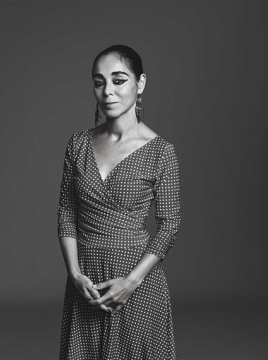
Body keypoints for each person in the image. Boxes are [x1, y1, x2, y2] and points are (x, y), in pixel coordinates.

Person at [57, 44, 181, 360]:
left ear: (139, 84)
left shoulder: (161, 152)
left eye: (119, 80)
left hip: (136, 283)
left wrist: (131, 282)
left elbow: (170, 224)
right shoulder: (78, 144)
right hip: (86, 283)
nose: (108, 91)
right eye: (100, 82)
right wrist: (74, 273)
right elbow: (67, 212)